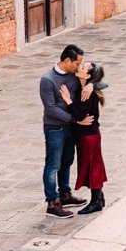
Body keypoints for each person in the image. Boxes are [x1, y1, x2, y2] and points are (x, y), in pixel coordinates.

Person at [40, 44, 88, 218]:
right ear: (67, 60)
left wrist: (90, 85)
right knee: (53, 165)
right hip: (55, 128)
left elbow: (98, 79)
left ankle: (65, 194)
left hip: (70, 128)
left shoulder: (73, 75)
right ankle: (52, 203)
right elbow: (50, 108)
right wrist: (74, 119)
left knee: (67, 161)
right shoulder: (47, 80)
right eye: (77, 63)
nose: (78, 67)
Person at [61, 61, 109, 215]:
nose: (79, 67)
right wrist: (93, 84)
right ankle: (99, 198)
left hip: (88, 136)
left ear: (87, 75)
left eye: (82, 67)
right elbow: (103, 81)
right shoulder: (84, 86)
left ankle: (96, 202)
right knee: (92, 166)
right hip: (87, 136)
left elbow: (81, 115)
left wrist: (68, 99)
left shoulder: (87, 93)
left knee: (92, 167)